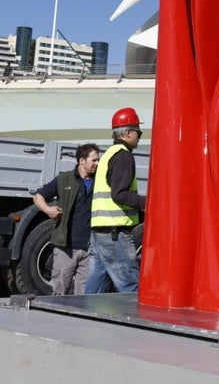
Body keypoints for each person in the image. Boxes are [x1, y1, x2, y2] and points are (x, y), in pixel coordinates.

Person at [84, 107, 145, 294]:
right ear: (127, 133)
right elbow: (119, 194)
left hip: (100, 231)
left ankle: (84, 319)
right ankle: (136, 322)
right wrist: (147, 203)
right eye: (138, 132)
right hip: (114, 232)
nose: (140, 136)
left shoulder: (109, 154)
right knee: (130, 284)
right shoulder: (123, 156)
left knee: (96, 286)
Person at [31, 143, 100, 295]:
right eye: (94, 160)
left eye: (98, 160)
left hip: (90, 248)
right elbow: (38, 196)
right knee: (60, 292)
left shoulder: (101, 182)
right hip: (66, 246)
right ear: (82, 160)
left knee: (84, 297)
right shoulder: (64, 179)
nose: (97, 164)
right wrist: (48, 209)